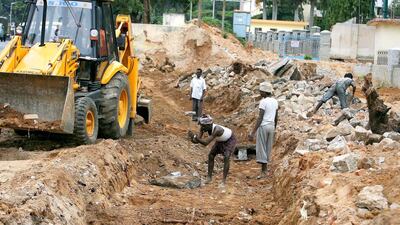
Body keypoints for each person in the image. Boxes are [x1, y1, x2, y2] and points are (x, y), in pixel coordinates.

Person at [189, 115, 237, 187]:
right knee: (211, 155)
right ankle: (209, 178)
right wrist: (192, 138)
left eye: (204, 126)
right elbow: (198, 140)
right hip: (220, 140)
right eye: (202, 126)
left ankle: (223, 181)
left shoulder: (217, 129)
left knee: (226, 157)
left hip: (229, 140)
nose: (202, 128)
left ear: (209, 124)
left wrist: (195, 137)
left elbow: (205, 143)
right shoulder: (203, 128)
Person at [248, 82, 278, 179]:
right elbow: (276, 116)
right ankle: (265, 170)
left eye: (261, 91)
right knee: (268, 148)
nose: (260, 93)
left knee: (262, 148)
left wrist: (253, 132)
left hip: (264, 126)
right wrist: (275, 127)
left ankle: (263, 171)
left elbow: (260, 118)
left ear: (265, 92)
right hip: (271, 126)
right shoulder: (275, 101)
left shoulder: (263, 102)